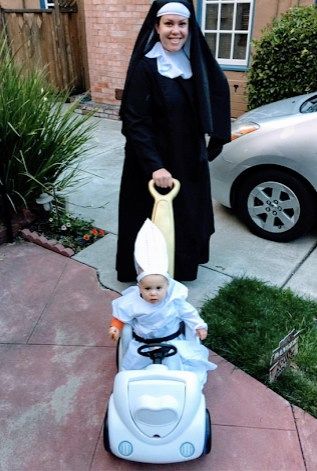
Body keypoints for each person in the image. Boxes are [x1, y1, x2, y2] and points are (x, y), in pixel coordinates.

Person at [116, 0, 231, 282]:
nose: (175, 31)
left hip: (188, 157)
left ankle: (181, 268)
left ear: (190, 28)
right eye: (168, 23)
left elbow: (214, 94)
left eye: (182, 24)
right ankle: (148, 275)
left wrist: (214, 136)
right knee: (149, 220)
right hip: (153, 161)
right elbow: (135, 122)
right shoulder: (146, 68)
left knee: (188, 216)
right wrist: (155, 166)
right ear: (156, 27)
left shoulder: (194, 63)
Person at [110, 219, 217, 387]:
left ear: (168, 285)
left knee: (175, 368)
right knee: (134, 368)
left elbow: (188, 313)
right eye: (147, 288)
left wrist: (199, 326)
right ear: (139, 286)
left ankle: (175, 385)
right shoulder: (132, 302)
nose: (153, 293)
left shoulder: (173, 299)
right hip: (143, 343)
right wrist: (116, 327)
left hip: (171, 342)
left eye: (159, 288)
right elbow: (121, 315)